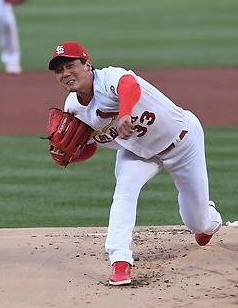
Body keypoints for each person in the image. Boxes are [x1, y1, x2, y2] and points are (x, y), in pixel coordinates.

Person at [47, 41, 223, 286]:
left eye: (70, 65)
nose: (65, 73)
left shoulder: (110, 77)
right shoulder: (73, 108)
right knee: (124, 192)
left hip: (183, 142)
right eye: (59, 70)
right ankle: (120, 262)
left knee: (197, 222)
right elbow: (89, 146)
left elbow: (129, 85)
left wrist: (125, 113)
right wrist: (72, 154)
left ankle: (209, 219)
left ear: (87, 65)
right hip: (139, 153)